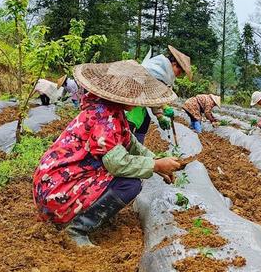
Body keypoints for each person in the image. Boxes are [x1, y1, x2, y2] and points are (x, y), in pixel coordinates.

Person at [33, 60, 180, 247]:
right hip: (57, 190)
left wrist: (156, 160)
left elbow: (131, 143)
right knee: (129, 184)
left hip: (56, 182)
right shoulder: (104, 118)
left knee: (126, 176)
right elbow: (117, 163)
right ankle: (76, 229)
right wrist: (155, 165)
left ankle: (83, 211)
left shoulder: (110, 110)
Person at [126, 45, 192, 144]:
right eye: (180, 71)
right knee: (131, 123)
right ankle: (127, 148)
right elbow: (151, 93)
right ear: (174, 64)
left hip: (139, 104)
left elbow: (154, 95)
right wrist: (163, 108)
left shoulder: (164, 73)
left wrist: (160, 115)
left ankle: (137, 149)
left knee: (145, 121)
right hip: (130, 102)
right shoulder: (156, 70)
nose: (179, 74)